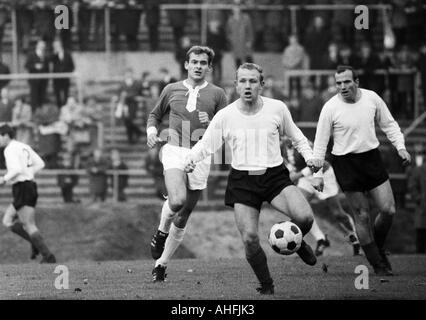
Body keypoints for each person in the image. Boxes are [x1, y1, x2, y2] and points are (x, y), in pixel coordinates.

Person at [184, 63, 322, 294]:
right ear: (236, 85)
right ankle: (267, 286)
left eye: (253, 81)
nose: (248, 86)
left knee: (305, 218)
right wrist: (191, 159)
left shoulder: (277, 108)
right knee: (249, 239)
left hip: (275, 176)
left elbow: (297, 138)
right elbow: (206, 144)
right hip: (243, 181)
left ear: (261, 85)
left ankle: (296, 241)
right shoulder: (225, 116)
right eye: (243, 81)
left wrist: (310, 159)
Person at [311, 65, 411, 276]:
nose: (342, 86)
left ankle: (378, 248)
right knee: (362, 215)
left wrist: (400, 147)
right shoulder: (330, 108)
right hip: (346, 163)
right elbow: (320, 145)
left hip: (371, 158)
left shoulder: (372, 98)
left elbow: (389, 125)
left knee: (388, 209)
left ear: (357, 82)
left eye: (347, 82)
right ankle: (378, 264)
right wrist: (318, 174)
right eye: (338, 83)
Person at [147, 46, 228, 282]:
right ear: (186, 64)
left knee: (183, 216)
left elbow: (227, 130)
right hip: (173, 148)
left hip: (201, 154)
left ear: (209, 67)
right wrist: (152, 131)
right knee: (177, 200)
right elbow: (154, 114)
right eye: (194, 62)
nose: (198, 66)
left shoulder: (218, 94)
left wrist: (212, 122)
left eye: (203, 63)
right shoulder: (171, 89)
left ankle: (161, 264)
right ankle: (161, 232)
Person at [281, 137, 360, 256]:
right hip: (306, 179)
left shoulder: (300, 142)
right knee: (299, 209)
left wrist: (297, 176)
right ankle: (321, 239)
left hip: (322, 174)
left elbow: (319, 161)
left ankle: (356, 239)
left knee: (337, 213)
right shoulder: (280, 148)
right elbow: (290, 169)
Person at [0, 124, 56, 263]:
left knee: (29, 225)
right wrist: (29, 173)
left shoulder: (9, 149)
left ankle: (48, 256)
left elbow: (17, 169)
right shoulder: (23, 146)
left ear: (6, 136)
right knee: (7, 220)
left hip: (23, 187)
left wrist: (4, 179)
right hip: (27, 187)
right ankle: (34, 242)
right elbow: (41, 164)